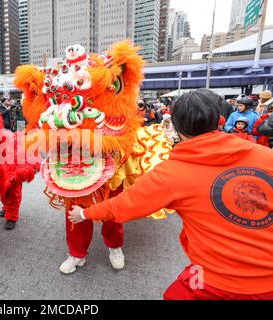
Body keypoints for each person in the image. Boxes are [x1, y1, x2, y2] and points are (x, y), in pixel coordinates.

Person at [68, 89, 273, 300]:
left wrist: (83, 214)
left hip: (211, 281)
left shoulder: (172, 173)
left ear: (175, 126)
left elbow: (123, 205)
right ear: (219, 119)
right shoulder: (266, 156)